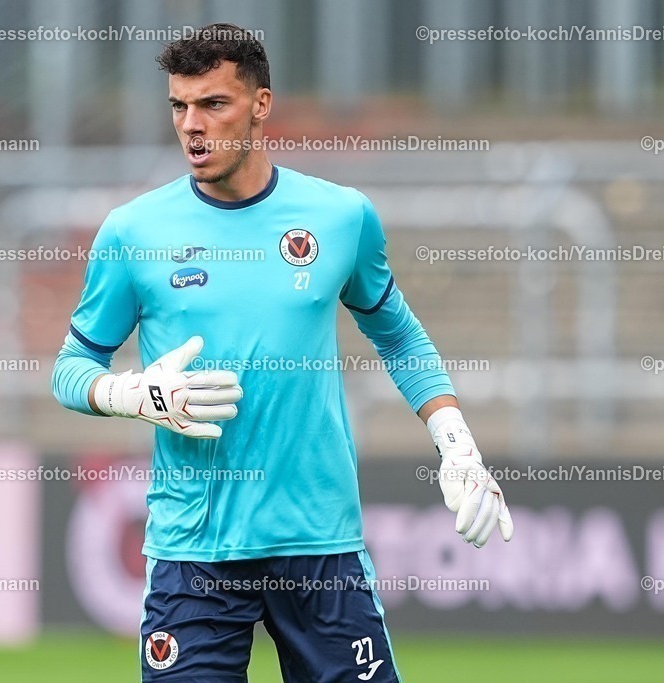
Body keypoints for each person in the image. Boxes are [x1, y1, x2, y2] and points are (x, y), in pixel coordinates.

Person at [52, 22, 513, 683]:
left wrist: (457, 444)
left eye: (214, 103)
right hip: (195, 553)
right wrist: (127, 393)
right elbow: (71, 370)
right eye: (179, 106)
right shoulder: (133, 232)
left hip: (320, 546)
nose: (192, 126)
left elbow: (399, 335)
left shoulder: (339, 217)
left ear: (261, 104)